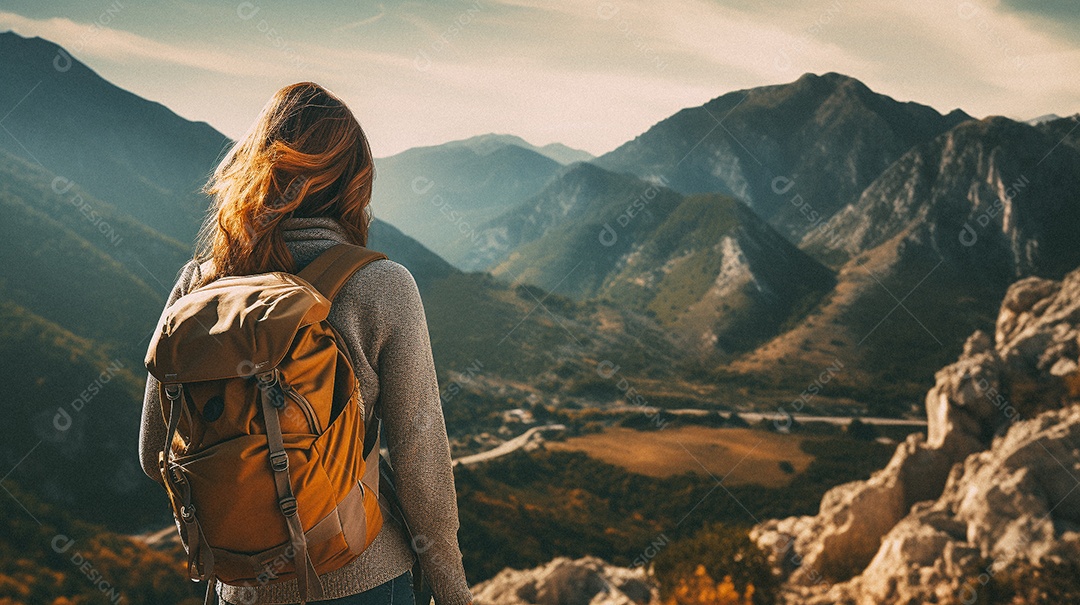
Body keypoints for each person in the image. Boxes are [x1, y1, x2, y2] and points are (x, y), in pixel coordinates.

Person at [138, 82, 473, 605]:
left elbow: (152, 450)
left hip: (242, 589)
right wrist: (452, 591)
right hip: (363, 578)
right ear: (353, 182)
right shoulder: (381, 285)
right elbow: (419, 460)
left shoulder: (200, 286)